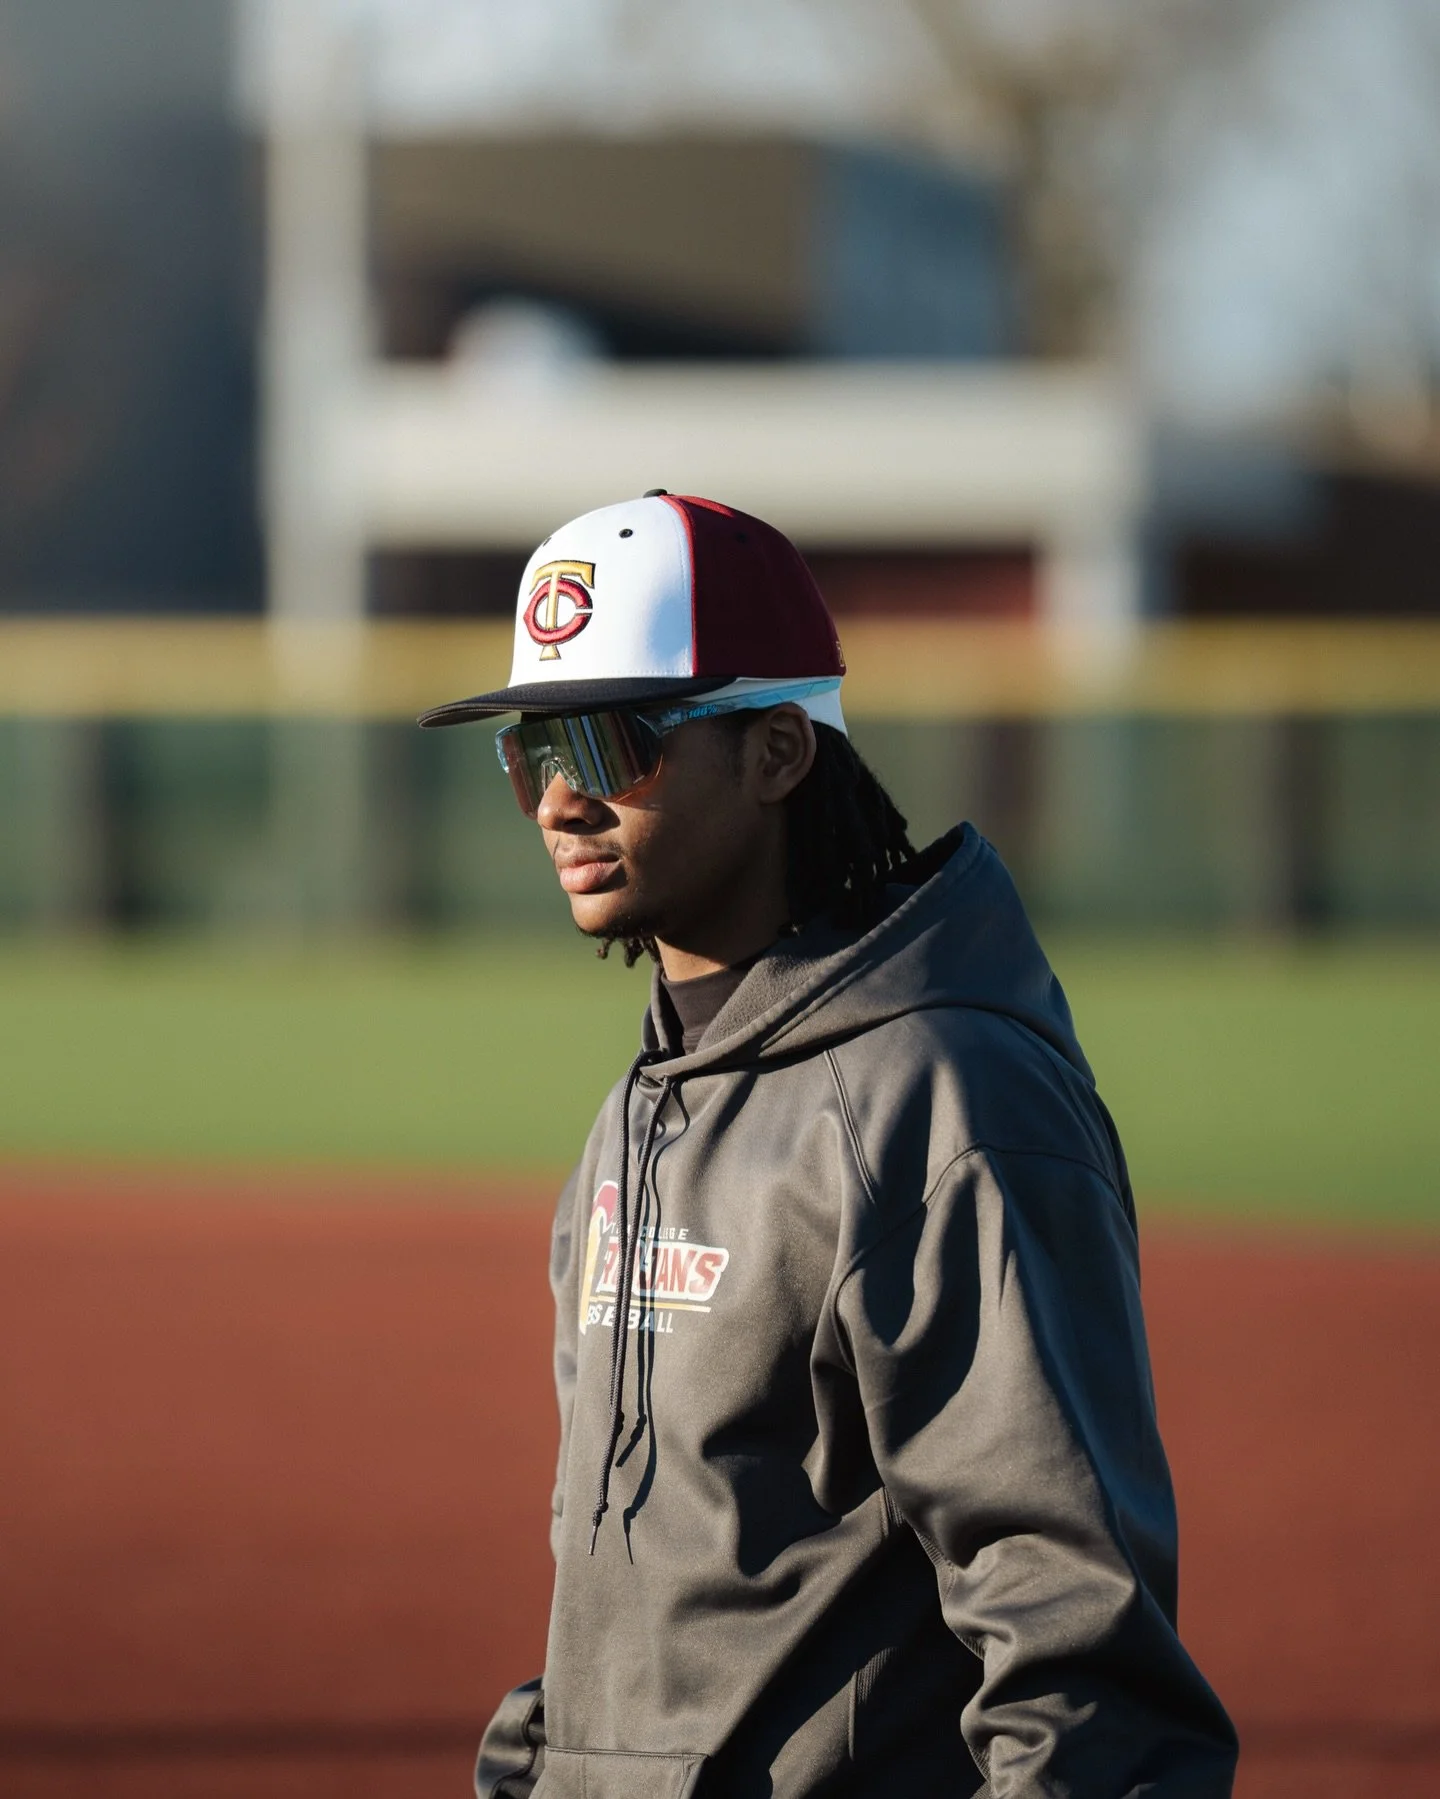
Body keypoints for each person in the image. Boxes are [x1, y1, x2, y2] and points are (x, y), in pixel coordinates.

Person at [419, 491, 1237, 1799]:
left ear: (781, 751)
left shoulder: (948, 1100)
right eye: (529, 751)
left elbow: (1083, 1672)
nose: (560, 799)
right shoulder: (641, 1111)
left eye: (608, 738)